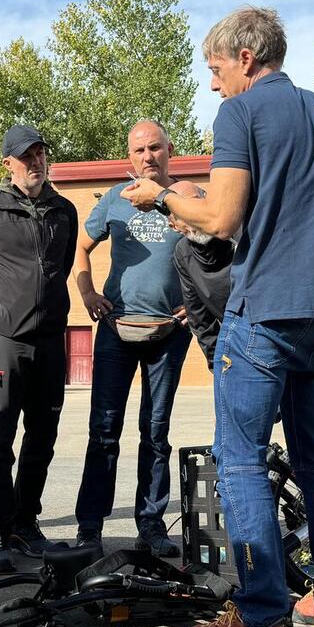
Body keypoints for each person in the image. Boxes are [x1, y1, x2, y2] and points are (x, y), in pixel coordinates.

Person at [121, 6, 314, 627]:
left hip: (263, 313)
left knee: (239, 464)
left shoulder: (242, 113)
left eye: (214, 69)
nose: (213, 85)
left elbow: (221, 217)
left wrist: (162, 197)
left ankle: (260, 618)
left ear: (245, 58)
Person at [0, 125, 78, 572]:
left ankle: (26, 521)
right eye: (26, 157)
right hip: (5, 341)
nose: (35, 163)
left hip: (50, 340)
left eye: (41, 154)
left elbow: (61, 268)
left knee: (42, 438)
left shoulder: (63, 210)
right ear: (8, 163)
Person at [72, 120, 193, 558]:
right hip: (116, 331)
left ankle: (151, 525)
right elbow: (82, 248)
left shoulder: (189, 198)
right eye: (139, 150)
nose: (147, 156)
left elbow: (220, 250)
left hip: (169, 334)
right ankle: (90, 527)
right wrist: (87, 292)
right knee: (104, 431)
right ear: (130, 158)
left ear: (169, 150)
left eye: (155, 148)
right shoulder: (113, 200)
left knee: (155, 432)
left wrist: (194, 303)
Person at [168, 181, 234, 369]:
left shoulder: (238, 232)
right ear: (174, 226)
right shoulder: (182, 252)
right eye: (181, 213)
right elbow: (198, 316)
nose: (192, 216)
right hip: (233, 340)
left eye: (196, 203)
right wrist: (218, 363)